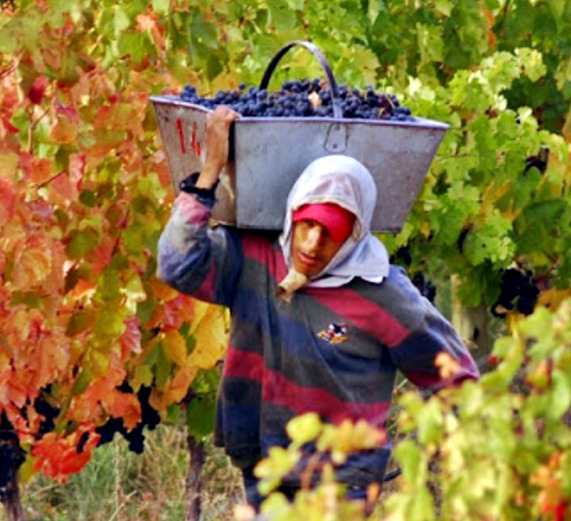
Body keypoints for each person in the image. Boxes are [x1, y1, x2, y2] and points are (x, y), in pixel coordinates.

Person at [156, 106, 480, 511]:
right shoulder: (255, 261)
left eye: (330, 233)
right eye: (307, 225)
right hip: (263, 465)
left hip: (342, 484)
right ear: (292, 216)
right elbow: (176, 265)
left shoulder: (383, 294)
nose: (311, 245)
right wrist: (209, 175)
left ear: (353, 234)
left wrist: (442, 451)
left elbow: (455, 377)